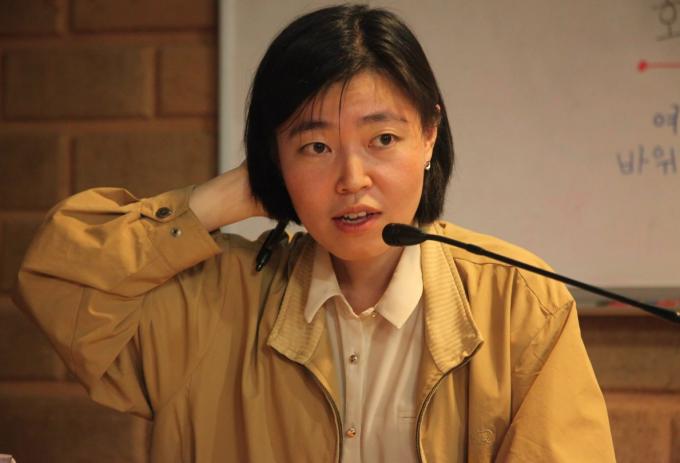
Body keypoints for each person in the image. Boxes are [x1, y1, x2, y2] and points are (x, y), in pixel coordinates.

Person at [14, 4, 615, 462]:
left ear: (430, 135)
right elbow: (56, 282)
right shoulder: (213, 300)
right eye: (316, 147)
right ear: (274, 157)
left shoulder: (520, 304)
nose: (352, 179)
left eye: (382, 139)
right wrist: (223, 196)